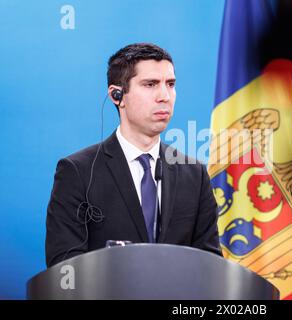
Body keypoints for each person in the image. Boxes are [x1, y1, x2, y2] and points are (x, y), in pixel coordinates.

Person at [45, 43, 222, 267]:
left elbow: (211, 267)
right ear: (117, 95)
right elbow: (65, 268)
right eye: (150, 84)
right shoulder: (77, 172)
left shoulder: (194, 174)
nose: (165, 96)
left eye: (170, 84)